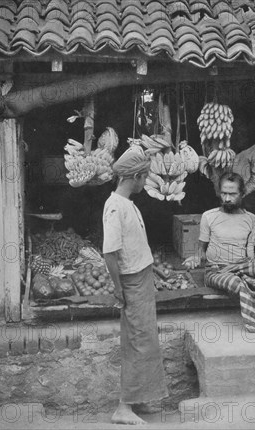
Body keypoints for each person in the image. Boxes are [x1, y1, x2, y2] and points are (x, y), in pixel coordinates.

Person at [184, 172, 255, 332]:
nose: (227, 198)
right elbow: (200, 250)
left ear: (243, 194)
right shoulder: (208, 216)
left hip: (244, 267)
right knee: (239, 284)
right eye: (224, 193)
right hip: (217, 271)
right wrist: (195, 258)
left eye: (232, 194)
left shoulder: (251, 218)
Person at [103, 145, 168, 425]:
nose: (146, 181)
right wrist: (119, 288)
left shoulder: (127, 204)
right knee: (137, 342)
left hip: (140, 278)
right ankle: (123, 408)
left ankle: (135, 400)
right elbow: (109, 251)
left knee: (144, 341)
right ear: (137, 176)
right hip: (131, 281)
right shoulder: (115, 207)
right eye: (145, 177)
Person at [231, 121, 255, 218]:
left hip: (249, 197)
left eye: (243, 134)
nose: (240, 137)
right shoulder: (233, 152)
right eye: (237, 134)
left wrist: (243, 191)